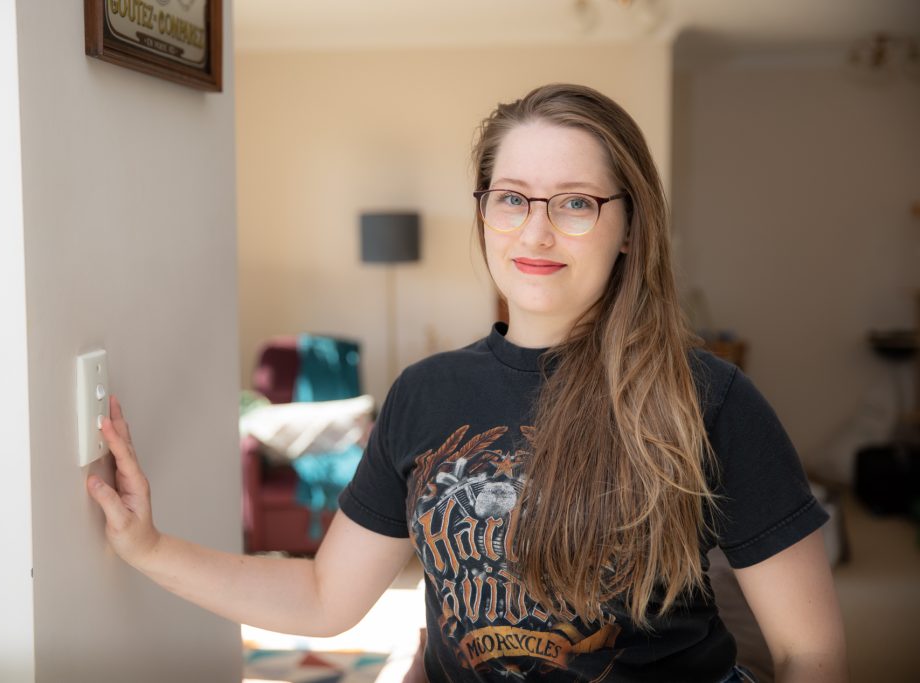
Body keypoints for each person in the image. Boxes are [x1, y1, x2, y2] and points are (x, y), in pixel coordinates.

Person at [87, 83, 848, 682]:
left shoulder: (708, 400)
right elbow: (324, 597)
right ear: (484, 213)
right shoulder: (426, 394)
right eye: (512, 197)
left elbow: (812, 651)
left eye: (576, 203)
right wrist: (150, 548)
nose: (536, 231)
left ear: (630, 227)